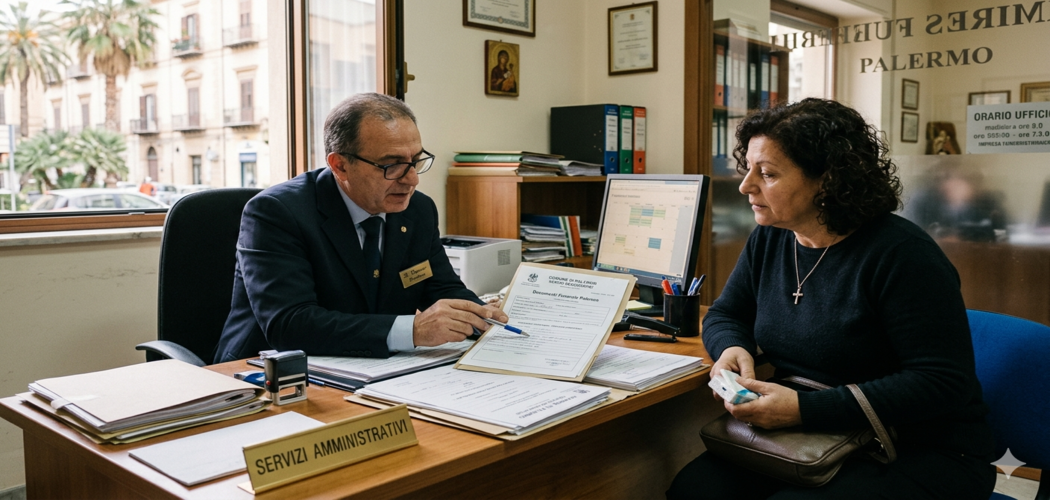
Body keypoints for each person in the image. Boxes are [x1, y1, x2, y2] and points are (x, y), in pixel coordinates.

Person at [667, 99, 996, 499]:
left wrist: (804, 410)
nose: (745, 185)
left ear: (827, 181)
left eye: (767, 173)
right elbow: (726, 313)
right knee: (694, 490)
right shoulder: (772, 236)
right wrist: (731, 347)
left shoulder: (903, 255)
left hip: (917, 447)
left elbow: (943, 382)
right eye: (748, 167)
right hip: (811, 435)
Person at [214, 93, 507, 363]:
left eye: (416, 161)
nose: (412, 180)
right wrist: (415, 330)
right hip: (265, 376)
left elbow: (439, 286)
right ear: (340, 165)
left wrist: (484, 317)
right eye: (392, 165)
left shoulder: (417, 210)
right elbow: (291, 323)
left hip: (374, 368)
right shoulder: (276, 212)